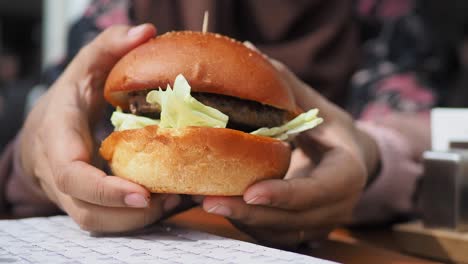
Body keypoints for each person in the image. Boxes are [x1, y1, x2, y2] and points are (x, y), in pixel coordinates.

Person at [0, 0, 435, 247]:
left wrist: (371, 155)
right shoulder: (121, 10)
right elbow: (50, 108)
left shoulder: (381, 11)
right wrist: (30, 160)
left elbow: (430, 124)